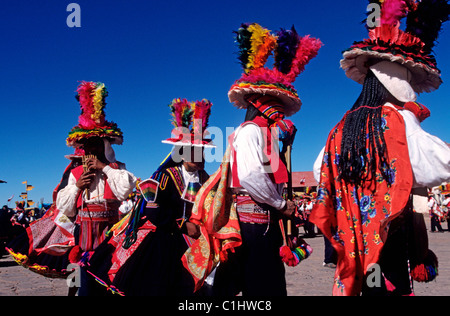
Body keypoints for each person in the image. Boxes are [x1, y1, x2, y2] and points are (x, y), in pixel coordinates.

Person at [310, 1, 450, 296]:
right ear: (399, 81)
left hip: (355, 238)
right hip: (388, 237)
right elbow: (435, 166)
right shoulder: (396, 120)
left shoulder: (341, 127)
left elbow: (320, 169)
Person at [182, 23, 321, 296]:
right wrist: (282, 204)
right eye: (274, 105)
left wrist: (285, 146)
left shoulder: (266, 135)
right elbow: (251, 177)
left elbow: (269, 174)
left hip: (265, 225)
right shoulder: (249, 133)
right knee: (259, 286)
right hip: (252, 227)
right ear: (260, 103)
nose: (280, 113)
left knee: (265, 283)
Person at [85, 98, 214, 296]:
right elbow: (153, 209)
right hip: (167, 235)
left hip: (197, 236)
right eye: (195, 153)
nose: (201, 158)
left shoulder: (206, 179)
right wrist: (182, 224)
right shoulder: (166, 176)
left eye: (202, 153)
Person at [55, 81, 137, 295]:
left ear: (105, 146)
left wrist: (104, 168)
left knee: (110, 286)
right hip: (84, 239)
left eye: (95, 144)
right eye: (87, 145)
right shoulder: (74, 174)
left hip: (111, 236)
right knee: (81, 287)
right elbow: (66, 209)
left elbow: (125, 190)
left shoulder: (117, 169)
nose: (91, 148)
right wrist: (77, 188)